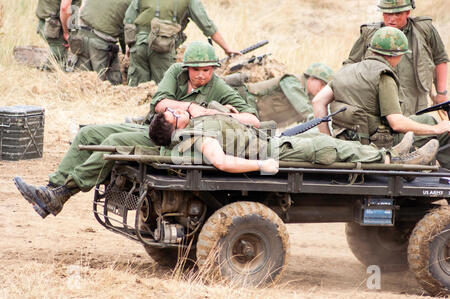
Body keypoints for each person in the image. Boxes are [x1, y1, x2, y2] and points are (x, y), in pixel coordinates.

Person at [13, 41, 258, 219]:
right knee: (87, 134)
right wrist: (191, 106)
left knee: (115, 141)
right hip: (150, 127)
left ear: (214, 69)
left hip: (172, 141)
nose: (202, 76)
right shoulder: (176, 73)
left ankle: (61, 194)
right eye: (196, 70)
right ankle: (50, 190)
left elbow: (253, 120)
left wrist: (217, 113)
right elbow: (159, 103)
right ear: (187, 68)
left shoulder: (219, 86)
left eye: (207, 70)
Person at [313, 26, 450, 168]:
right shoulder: (383, 76)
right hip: (378, 143)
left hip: (345, 139)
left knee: (426, 119)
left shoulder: (345, 71)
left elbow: (318, 102)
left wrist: (329, 139)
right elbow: (397, 123)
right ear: (394, 55)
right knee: (442, 131)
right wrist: (437, 129)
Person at [148, 110, 438, 175]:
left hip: (268, 139)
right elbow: (221, 161)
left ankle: (389, 152)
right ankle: (395, 161)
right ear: (174, 126)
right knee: (326, 148)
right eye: (171, 114)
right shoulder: (197, 137)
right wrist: (261, 164)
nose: (177, 109)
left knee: (315, 135)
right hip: (269, 150)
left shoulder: (195, 124)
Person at [343, 0, 449, 116]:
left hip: (416, 100)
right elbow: (351, 65)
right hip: (382, 102)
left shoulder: (424, 29)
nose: (391, 19)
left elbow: (440, 58)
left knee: (420, 130)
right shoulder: (370, 34)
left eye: (397, 14)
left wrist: (441, 93)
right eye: (387, 14)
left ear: (407, 13)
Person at [123, 0, 241, 86]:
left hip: (138, 45)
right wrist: (226, 48)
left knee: (137, 90)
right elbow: (206, 25)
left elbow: (129, 18)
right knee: (163, 89)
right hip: (163, 48)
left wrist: (130, 43)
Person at [223, 62, 334, 128]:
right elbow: (305, 111)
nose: (322, 89)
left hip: (252, 119)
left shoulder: (308, 99)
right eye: (322, 84)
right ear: (311, 78)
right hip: (241, 99)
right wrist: (318, 118)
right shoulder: (292, 81)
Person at [60, 0, 132, 85]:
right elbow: (126, 29)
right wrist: (126, 52)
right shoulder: (130, 2)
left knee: (79, 81)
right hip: (101, 43)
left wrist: (68, 32)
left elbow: (76, 9)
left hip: (80, 35)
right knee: (108, 84)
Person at [35, 0, 81, 69]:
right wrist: (66, 33)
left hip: (45, 21)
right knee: (57, 64)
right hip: (56, 26)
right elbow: (64, 8)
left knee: (56, 58)